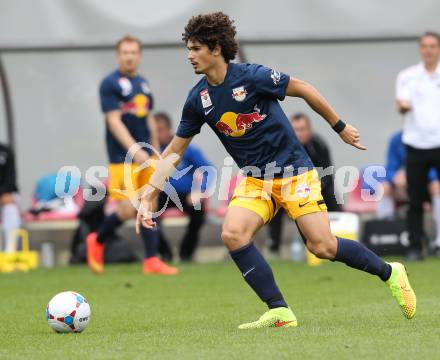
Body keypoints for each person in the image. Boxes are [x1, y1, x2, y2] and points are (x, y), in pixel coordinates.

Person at [136, 12, 416, 328]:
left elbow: (304, 88)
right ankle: (279, 310)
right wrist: (150, 194)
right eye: (188, 48)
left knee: (322, 246)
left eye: (196, 48)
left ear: (216, 48)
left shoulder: (252, 77)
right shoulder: (198, 99)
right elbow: (174, 150)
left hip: (295, 173)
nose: (190, 55)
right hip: (256, 180)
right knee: (233, 233)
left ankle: (391, 272)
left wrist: (339, 127)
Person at [86, 35, 178, 275]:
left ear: (139, 55)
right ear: (118, 55)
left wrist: (158, 152)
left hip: (148, 155)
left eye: (133, 52)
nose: (129, 56)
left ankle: (151, 260)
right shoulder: (110, 84)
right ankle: (97, 239)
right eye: (125, 52)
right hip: (122, 157)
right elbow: (114, 122)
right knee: (128, 208)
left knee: (150, 202)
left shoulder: (143, 84)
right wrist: (135, 152)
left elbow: (148, 117)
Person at [267, 113, 342, 255]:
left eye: (302, 129)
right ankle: (273, 247)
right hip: (288, 190)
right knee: (274, 203)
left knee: (333, 198)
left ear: (309, 130)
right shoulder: (280, 146)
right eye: (295, 129)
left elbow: (327, 173)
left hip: (316, 188)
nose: (298, 133)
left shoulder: (319, 145)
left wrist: (311, 188)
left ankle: (339, 243)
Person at [396, 31, 440, 260]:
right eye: (424, 46)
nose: (429, 50)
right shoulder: (408, 76)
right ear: (420, 49)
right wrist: (403, 106)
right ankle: (415, 245)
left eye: (433, 46)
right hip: (416, 144)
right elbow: (401, 103)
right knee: (414, 198)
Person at [153, 112, 213, 262]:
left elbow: (209, 170)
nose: (156, 134)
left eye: (159, 130)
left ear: (168, 129)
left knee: (198, 213)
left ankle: (186, 253)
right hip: (160, 194)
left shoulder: (185, 148)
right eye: (153, 130)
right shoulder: (149, 151)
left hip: (186, 195)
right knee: (146, 214)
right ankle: (165, 254)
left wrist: (200, 190)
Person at [0, 143, 21, 252]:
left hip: (6, 194)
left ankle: (10, 253)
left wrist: (3, 193)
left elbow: (10, 178)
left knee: (11, 208)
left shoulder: (5, 151)